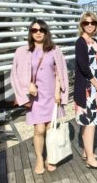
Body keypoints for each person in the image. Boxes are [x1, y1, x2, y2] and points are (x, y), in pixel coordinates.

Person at [11, 20, 69, 175]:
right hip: (35, 97)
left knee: (51, 128)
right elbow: (15, 75)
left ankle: (50, 157)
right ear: (30, 32)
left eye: (42, 29)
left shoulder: (55, 50)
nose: (38, 32)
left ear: (46, 32)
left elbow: (60, 73)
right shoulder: (22, 51)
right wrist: (27, 85)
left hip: (51, 96)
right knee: (39, 129)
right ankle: (39, 158)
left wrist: (58, 92)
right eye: (34, 29)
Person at [73, 12, 97, 170]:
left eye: (93, 22)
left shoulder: (95, 42)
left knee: (90, 122)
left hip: (96, 87)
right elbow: (84, 67)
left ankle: (87, 153)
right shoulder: (80, 42)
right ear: (82, 25)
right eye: (86, 23)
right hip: (87, 88)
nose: (90, 25)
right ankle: (90, 158)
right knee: (90, 122)